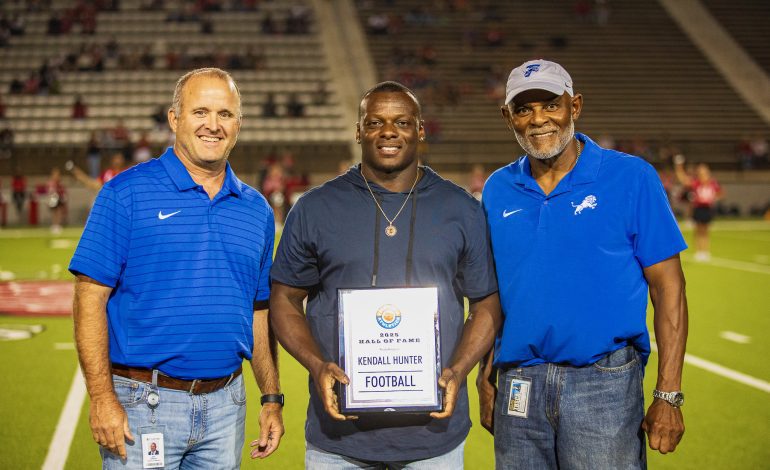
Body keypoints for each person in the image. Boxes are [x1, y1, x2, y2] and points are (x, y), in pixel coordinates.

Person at [269, 81, 500, 468]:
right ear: (358, 131)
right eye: (375, 122)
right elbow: (285, 297)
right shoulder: (315, 208)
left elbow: (486, 302)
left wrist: (459, 370)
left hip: (434, 440)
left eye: (402, 122)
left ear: (420, 130)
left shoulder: (460, 208)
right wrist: (316, 364)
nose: (389, 132)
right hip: (338, 440)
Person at [69, 68, 284, 469]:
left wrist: (271, 397)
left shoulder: (256, 209)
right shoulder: (126, 193)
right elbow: (88, 299)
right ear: (174, 119)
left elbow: (258, 313)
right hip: (142, 404)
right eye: (200, 111)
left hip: (226, 406)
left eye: (225, 114)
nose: (213, 125)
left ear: (239, 124)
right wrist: (101, 398)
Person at [480, 59, 688, 469]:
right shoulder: (497, 188)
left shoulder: (630, 177)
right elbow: (494, 294)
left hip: (604, 384)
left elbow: (670, 289)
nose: (538, 119)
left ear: (574, 106)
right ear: (508, 117)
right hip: (518, 382)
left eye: (550, 105)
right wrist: (486, 380)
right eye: (523, 109)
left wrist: (668, 394)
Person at [674, 155, 722, 261]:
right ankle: (698, 251)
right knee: (698, 230)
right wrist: (679, 167)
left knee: (706, 230)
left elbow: (720, 193)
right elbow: (683, 179)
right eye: (701, 172)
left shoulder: (713, 183)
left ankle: (705, 250)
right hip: (698, 208)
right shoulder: (696, 183)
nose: (703, 174)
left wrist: (714, 198)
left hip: (708, 208)